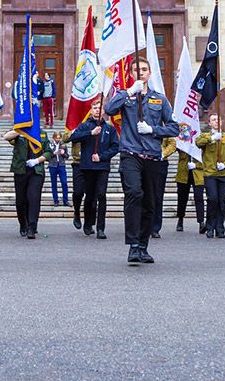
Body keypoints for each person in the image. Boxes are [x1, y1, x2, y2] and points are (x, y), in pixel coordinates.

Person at [104, 57, 179, 265]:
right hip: (130, 153)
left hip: (153, 156)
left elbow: (174, 127)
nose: (141, 73)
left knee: (149, 203)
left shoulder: (160, 99)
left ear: (150, 73)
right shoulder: (125, 97)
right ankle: (133, 244)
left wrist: (153, 130)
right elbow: (109, 110)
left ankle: (143, 246)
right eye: (136, 70)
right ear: (130, 73)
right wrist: (129, 91)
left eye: (144, 69)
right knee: (134, 193)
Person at [68, 104, 118, 239]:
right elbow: (73, 137)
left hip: (102, 167)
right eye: (95, 108)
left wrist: (102, 157)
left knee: (101, 195)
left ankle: (101, 227)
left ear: (103, 111)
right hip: (88, 166)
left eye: (99, 108)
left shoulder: (109, 129)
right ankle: (88, 222)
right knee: (90, 197)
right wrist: (90, 133)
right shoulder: (85, 126)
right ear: (91, 110)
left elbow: (115, 147)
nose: (97, 110)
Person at [194, 113, 225, 238]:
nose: (216, 122)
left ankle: (220, 228)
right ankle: (210, 226)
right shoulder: (205, 136)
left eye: (218, 120)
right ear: (209, 123)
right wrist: (212, 138)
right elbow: (198, 143)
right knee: (212, 199)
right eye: (213, 120)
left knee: (221, 202)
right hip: (210, 173)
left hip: (224, 173)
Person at [6, 127, 47, 239]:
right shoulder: (19, 132)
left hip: (36, 170)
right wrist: (20, 131)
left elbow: (48, 151)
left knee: (33, 198)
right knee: (21, 200)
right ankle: (23, 223)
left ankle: (32, 227)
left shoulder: (42, 133)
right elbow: (6, 137)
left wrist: (37, 160)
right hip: (20, 170)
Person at [172, 132, 206, 234]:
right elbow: (175, 147)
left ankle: (201, 222)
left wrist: (197, 165)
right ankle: (180, 219)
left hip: (198, 172)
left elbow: (207, 157)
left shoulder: (202, 138)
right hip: (184, 171)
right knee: (182, 198)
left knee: (199, 198)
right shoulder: (183, 137)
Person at [46, 131, 70, 209]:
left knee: (64, 182)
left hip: (61, 165)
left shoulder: (63, 145)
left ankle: (65, 200)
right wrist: (53, 153)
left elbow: (67, 156)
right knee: (54, 183)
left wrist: (63, 153)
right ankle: (55, 200)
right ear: (53, 137)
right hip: (52, 166)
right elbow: (46, 156)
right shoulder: (49, 145)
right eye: (57, 138)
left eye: (59, 138)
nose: (58, 139)